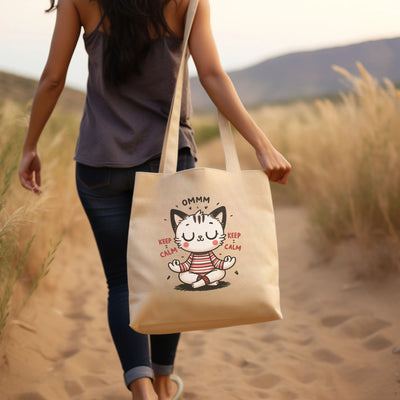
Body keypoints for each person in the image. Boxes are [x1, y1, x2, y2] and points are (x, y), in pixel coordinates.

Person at [19, 0, 291, 398]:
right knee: (173, 274)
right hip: (169, 163)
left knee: (121, 283)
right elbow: (213, 74)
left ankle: (141, 388)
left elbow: (53, 79)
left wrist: (30, 145)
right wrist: (262, 145)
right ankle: (163, 384)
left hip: (100, 164)